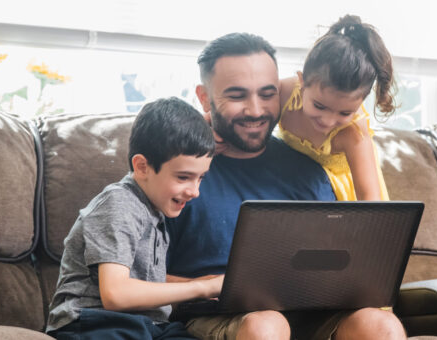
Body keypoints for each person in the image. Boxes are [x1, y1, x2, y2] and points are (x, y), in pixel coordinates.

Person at [166, 32, 407, 339]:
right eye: (237, 96)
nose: (255, 110)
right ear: (204, 98)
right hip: (227, 318)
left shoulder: (312, 170)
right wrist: (203, 286)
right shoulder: (174, 170)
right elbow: (134, 278)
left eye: (267, 95)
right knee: (267, 326)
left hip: (312, 313)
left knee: (381, 327)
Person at [46, 97, 222, 340]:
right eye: (183, 177)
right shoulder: (119, 203)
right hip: (92, 321)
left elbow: (140, 278)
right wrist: (202, 287)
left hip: (149, 324)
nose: (195, 191)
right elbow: (115, 294)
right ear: (142, 167)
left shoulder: (155, 213)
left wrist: (198, 284)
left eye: (200, 178)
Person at [277, 14, 394, 201]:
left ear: (361, 102)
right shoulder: (284, 93)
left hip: (344, 199)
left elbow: (369, 197)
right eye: (319, 106)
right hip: (292, 182)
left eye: (345, 112)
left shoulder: (353, 132)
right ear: (302, 82)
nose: (328, 120)